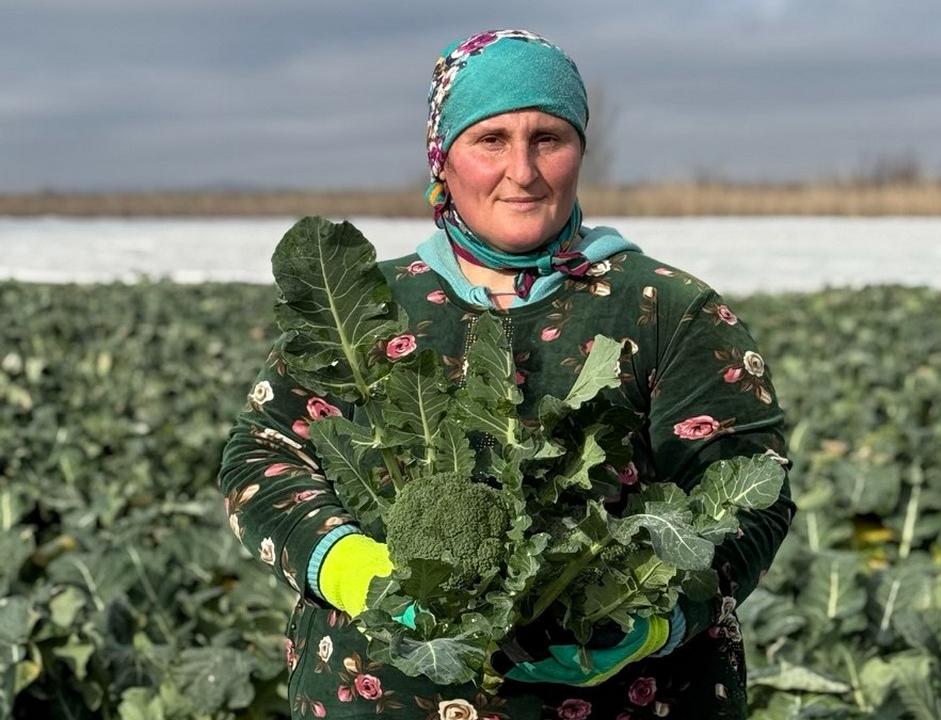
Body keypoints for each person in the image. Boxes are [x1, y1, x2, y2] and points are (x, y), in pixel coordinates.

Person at [218, 29, 796, 720]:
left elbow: (750, 488)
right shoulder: (366, 308)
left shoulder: (667, 310)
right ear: (443, 158)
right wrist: (350, 568)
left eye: (547, 138)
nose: (521, 170)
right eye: (490, 139)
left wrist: (650, 617)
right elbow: (263, 455)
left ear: (581, 149)